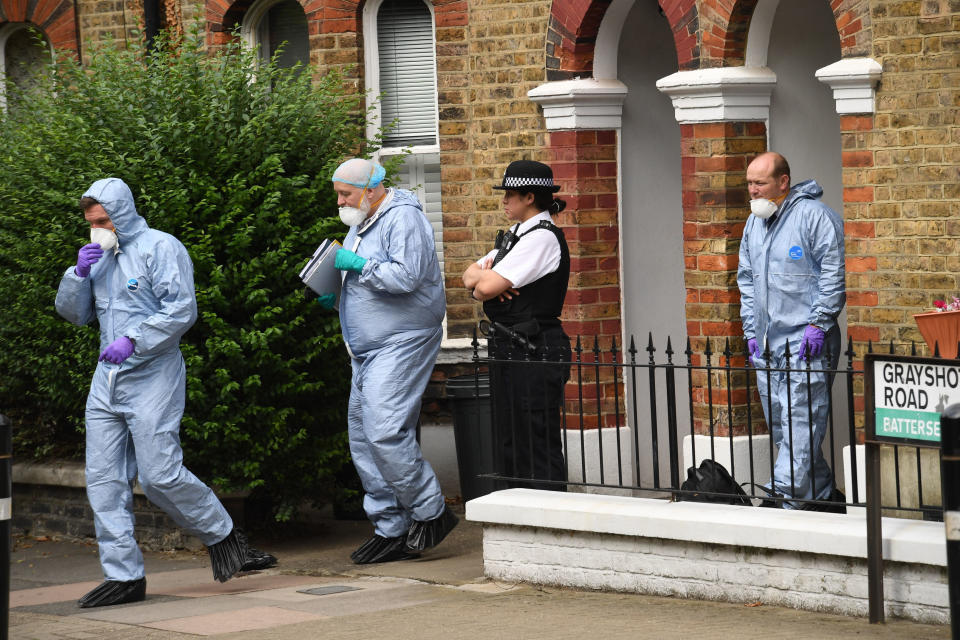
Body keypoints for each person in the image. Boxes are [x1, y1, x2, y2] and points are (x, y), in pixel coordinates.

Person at [55, 178, 276, 608]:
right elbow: (75, 316)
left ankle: (227, 538)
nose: (95, 229)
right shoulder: (98, 256)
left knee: (160, 475)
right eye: (90, 223)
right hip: (107, 379)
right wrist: (77, 275)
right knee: (103, 481)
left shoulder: (161, 248)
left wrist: (134, 339)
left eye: (102, 221)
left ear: (121, 213)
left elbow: (182, 309)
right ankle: (124, 577)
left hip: (153, 375)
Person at [323, 158, 458, 564]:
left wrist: (359, 265)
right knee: (363, 437)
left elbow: (405, 277)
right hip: (365, 349)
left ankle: (431, 512)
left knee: (382, 429)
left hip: (402, 339)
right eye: (338, 194)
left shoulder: (404, 219)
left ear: (371, 188)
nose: (341, 202)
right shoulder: (360, 222)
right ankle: (390, 528)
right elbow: (364, 277)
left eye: (346, 194)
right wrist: (335, 287)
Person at [737, 152, 846, 509]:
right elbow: (748, 281)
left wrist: (819, 323)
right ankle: (823, 494)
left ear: (783, 182)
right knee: (782, 425)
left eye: (760, 183)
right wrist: (751, 331)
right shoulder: (754, 224)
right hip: (769, 343)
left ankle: (783, 496)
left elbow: (833, 274)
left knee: (802, 418)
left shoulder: (815, 217)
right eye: (749, 183)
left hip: (805, 342)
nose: (752, 191)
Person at [462, 160, 571, 491]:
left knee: (535, 438)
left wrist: (490, 279)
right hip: (510, 345)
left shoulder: (541, 238)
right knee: (510, 437)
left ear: (529, 197)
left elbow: (483, 289)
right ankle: (520, 512)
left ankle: (550, 514)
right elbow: (469, 277)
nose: (504, 200)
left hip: (535, 346)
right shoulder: (515, 236)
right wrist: (488, 278)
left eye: (509, 194)